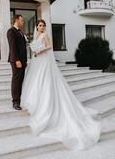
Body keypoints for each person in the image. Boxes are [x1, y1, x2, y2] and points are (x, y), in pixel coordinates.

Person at [21, 19, 101, 150]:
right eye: (40, 25)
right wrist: (36, 51)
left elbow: (49, 47)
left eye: (43, 25)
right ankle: (37, 102)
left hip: (45, 61)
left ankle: (45, 104)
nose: (41, 27)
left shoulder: (45, 35)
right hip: (38, 62)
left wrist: (40, 50)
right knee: (36, 82)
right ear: (37, 27)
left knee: (45, 81)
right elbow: (36, 49)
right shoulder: (36, 36)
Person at [7, 14, 27, 110]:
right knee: (16, 81)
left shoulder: (21, 32)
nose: (23, 22)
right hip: (16, 60)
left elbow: (23, 48)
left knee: (21, 80)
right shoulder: (11, 31)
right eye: (21, 20)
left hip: (22, 61)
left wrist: (25, 61)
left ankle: (19, 100)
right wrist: (17, 60)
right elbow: (12, 47)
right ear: (16, 20)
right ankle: (15, 102)